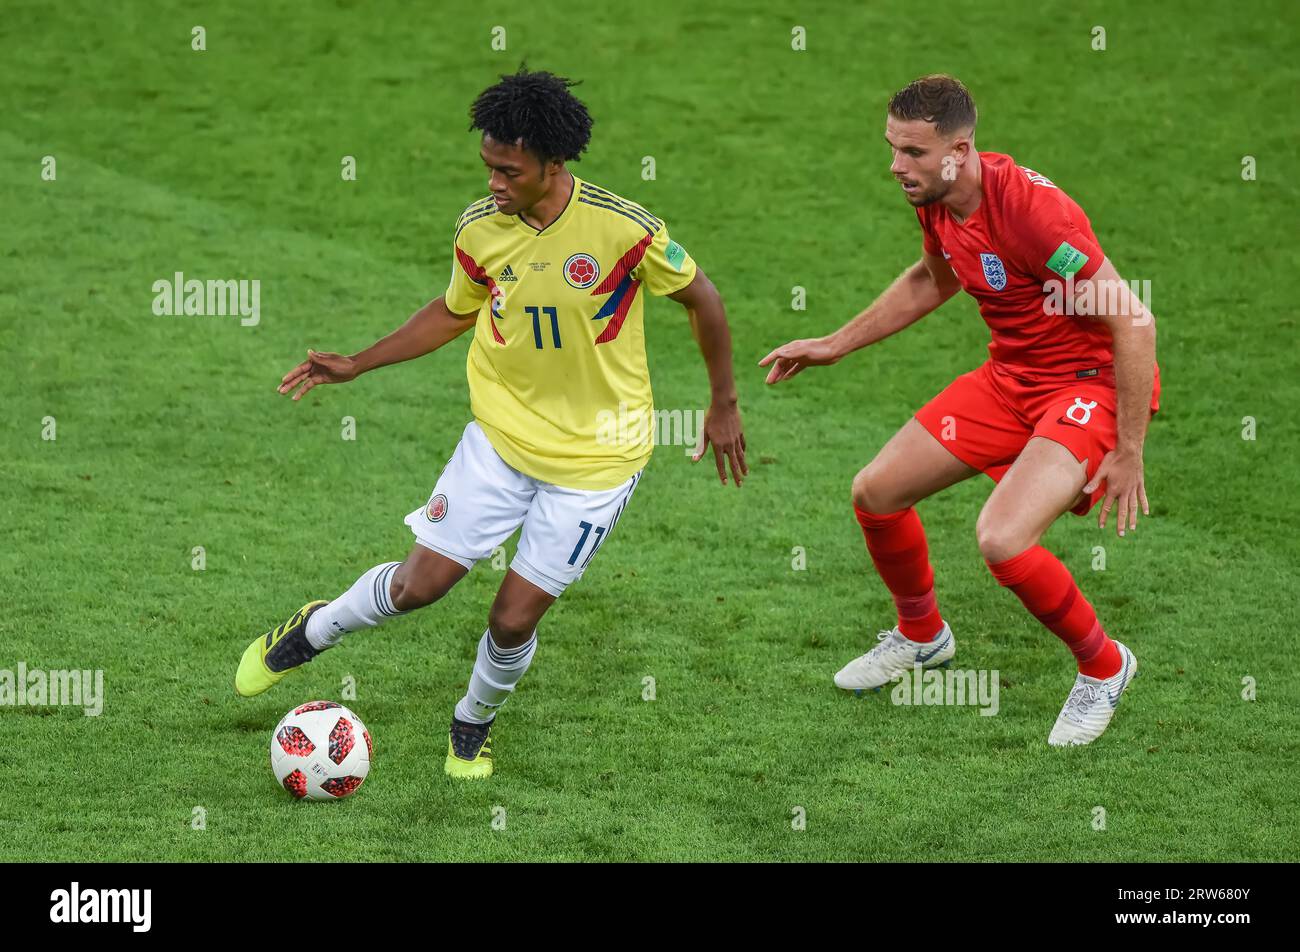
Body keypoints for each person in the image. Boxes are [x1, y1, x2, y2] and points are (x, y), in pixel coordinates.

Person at [235, 68, 746, 780]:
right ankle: (311, 631)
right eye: (488, 168)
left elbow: (706, 300)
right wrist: (359, 363)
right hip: (500, 442)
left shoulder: (624, 230)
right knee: (420, 586)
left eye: (509, 171)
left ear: (552, 162)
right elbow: (454, 310)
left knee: (511, 618)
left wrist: (722, 403)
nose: (495, 184)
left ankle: (473, 721)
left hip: (597, 464)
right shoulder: (481, 228)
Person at [760, 74, 1158, 746]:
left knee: (1002, 539)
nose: (895, 166)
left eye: (912, 153)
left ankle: (1105, 665)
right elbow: (933, 275)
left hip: (1088, 386)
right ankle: (922, 636)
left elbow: (1135, 324)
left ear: (960, 149)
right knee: (876, 491)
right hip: (1012, 377)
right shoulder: (938, 198)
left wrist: (1127, 449)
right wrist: (836, 343)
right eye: (892, 148)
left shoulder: (1035, 214)